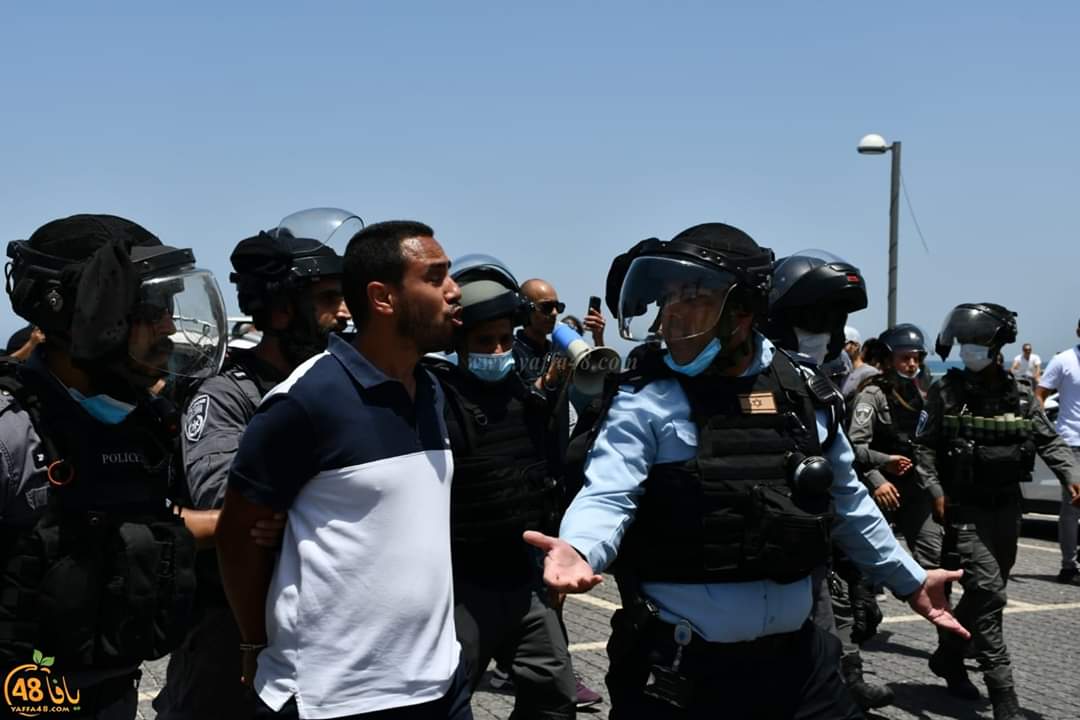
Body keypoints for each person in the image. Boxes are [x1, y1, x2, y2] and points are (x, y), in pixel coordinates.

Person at [525, 224, 967, 720]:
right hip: (683, 669)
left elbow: (846, 501)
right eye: (668, 298)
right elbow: (609, 492)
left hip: (799, 666)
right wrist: (580, 547)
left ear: (743, 313)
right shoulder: (645, 397)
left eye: (692, 298)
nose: (671, 314)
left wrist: (909, 579)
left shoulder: (801, 390)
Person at [216, 220, 473, 720]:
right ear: (382, 298)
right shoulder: (305, 400)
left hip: (442, 687)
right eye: (436, 276)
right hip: (334, 700)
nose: (454, 290)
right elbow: (238, 535)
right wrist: (253, 643)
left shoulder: (431, 390)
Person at [0, 214, 228, 718]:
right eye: (147, 309)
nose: (168, 326)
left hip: (110, 694)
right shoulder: (12, 432)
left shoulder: (140, 423)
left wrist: (248, 520)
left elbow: (138, 523)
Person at [153, 208, 354, 719]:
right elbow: (232, 506)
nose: (346, 313)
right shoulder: (226, 396)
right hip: (231, 627)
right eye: (329, 299)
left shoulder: (346, 393)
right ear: (283, 310)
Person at [423, 255, 576, 719]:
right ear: (459, 342)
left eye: (504, 340)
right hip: (461, 585)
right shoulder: (434, 399)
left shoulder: (528, 398)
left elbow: (550, 475)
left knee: (553, 693)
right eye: (483, 341)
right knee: (445, 700)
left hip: (523, 582)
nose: (496, 351)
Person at [916, 303, 1080, 720]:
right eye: (965, 343)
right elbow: (923, 446)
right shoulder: (945, 391)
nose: (970, 350)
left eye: (978, 343)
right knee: (989, 594)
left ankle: (950, 654)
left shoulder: (1020, 394)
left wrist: (1072, 475)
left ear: (998, 346)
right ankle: (1004, 694)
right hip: (965, 508)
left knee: (986, 592)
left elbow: (1050, 441)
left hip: (1007, 509)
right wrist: (934, 488)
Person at [764, 249, 893, 711]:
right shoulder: (717, 385)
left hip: (806, 560)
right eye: (817, 319)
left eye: (834, 322)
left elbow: (847, 491)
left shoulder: (817, 393)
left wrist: (910, 579)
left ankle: (847, 680)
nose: (829, 335)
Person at [848, 324, 943, 570]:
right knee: (867, 564)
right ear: (889, 360)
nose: (912, 364)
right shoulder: (872, 394)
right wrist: (878, 479)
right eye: (905, 358)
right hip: (882, 488)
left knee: (933, 554)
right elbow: (855, 446)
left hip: (916, 486)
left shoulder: (923, 393)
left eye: (917, 358)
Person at [1035, 317, 1080, 584]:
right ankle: (1068, 566)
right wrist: (1043, 429)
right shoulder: (1064, 360)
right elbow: (1040, 393)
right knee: (1073, 506)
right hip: (1071, 443)